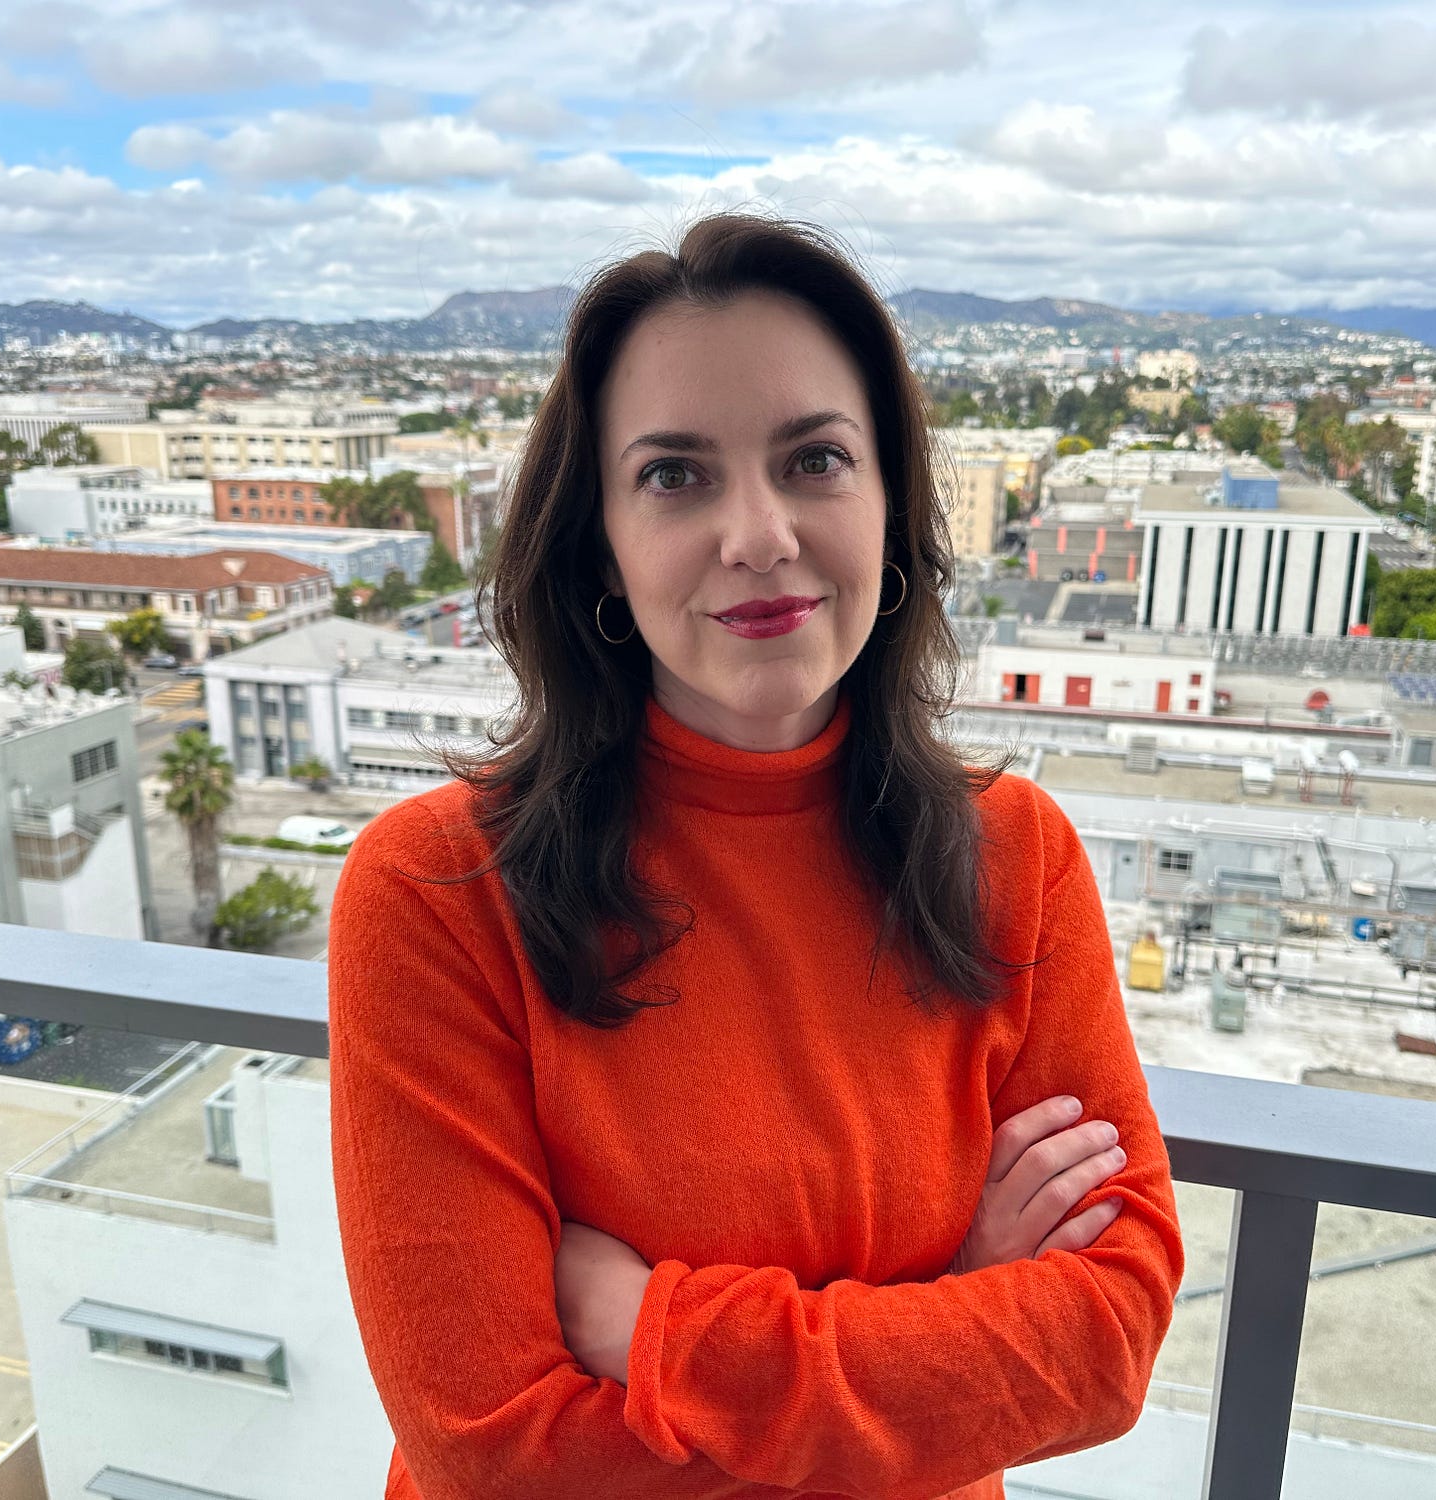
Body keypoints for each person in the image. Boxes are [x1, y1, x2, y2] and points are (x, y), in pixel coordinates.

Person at [327, 212, 1183, 1500]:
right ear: (601, 544)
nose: (760, 534)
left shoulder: (1018, 858)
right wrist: (951, 1315)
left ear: (892, 504)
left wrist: (647, 1332)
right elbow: (492, 1443)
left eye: (816, 460)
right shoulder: (440, 891)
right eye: (675, 474)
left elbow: (1106, 1344)